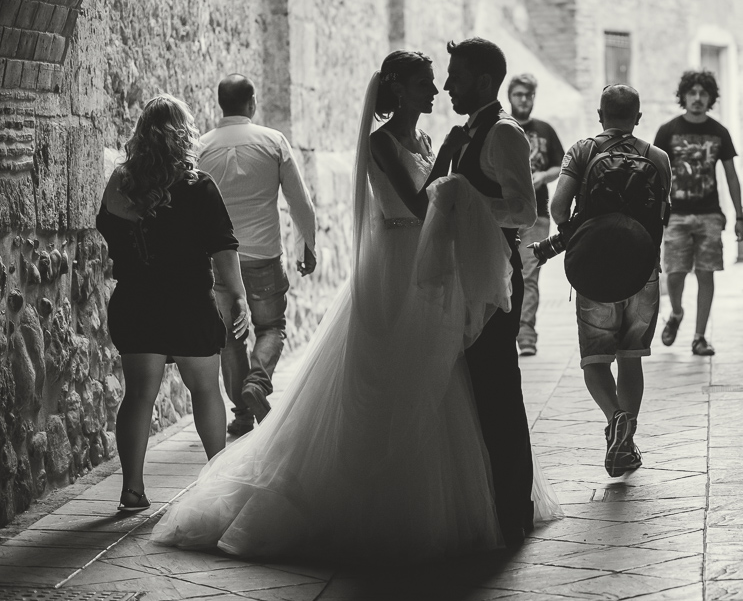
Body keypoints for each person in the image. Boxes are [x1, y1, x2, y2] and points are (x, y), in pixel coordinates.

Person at [152, 52, 560, 561]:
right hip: (396, 265)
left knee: (441, 374)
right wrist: (449, 162)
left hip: (431, 263)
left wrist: (448, 165)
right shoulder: (381, 142)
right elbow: (420, 203)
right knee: (392, 373)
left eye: (439, 81)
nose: (436, 91)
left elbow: (445, 197)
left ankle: (473, 495)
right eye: (426, 83)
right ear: (400, 89)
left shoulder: (428, 139)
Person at [96, 95, 249, 513]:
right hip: (188, 303)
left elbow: (108, 228)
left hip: (136, 301)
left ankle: (132, 490)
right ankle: (216, 480)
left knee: (138, 395)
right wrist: (238, 297)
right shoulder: (199, 186)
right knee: (205, 390)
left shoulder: (120, 184)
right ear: (183, 133)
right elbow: (223, 246)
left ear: (141, 134)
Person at [423, 37, 538, 546]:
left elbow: (525, 211)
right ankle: (492, 501)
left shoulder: (504, 133)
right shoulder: (467, 133)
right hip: (468, 275)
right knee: (477, 390)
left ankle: (514, 509)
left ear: (485, 81)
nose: (448, 85)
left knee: (499, 390)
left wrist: (465, 206)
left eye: (457, 75)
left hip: (496, 280)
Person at [551, 85, 671, 476]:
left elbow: (557, 208)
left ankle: (615, 418)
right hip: (642, 269)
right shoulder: (658, 157)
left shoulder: (582, 151)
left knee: (596, 358)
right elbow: (662, 215)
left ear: (600, 115)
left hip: (595, 267)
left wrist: (579, 228)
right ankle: (626, 442)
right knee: (630, 358)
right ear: (638, 117)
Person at [196, 74, 318, 436]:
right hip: (264, 256)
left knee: (230, 338)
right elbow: (300, 203)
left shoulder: (200, 148)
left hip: (220, 261)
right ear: (252, 103)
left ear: (221, 104)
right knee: (271, 328)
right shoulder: (273, 141)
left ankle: (242, 414)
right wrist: (306, 247)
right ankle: (258, 382)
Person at [653, 69, 743, 356]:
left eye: (702, 93)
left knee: (706, 274)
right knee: (675, 273)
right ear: (683, 96)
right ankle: (677, 313)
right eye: (691, 93)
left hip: (709, 215)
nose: (697, 98)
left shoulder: (719, 132)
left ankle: (699, 337)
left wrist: (739, 216)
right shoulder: (668, 131)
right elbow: (655, 176)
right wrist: (654, 215)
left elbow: (731, 176)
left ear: (710, 98)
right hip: (676, 215)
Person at [507, 73, 564, 357]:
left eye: (528, 95)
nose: (524, 100)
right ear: (510, 97)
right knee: (504, 274)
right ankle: (505, 332)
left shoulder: (545, 130)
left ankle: (526, 335)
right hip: (504, 214)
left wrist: (543, 176)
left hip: (537, 214)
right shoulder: (502, 128)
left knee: (529, 275)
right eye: (518, 94)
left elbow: (561, 165)